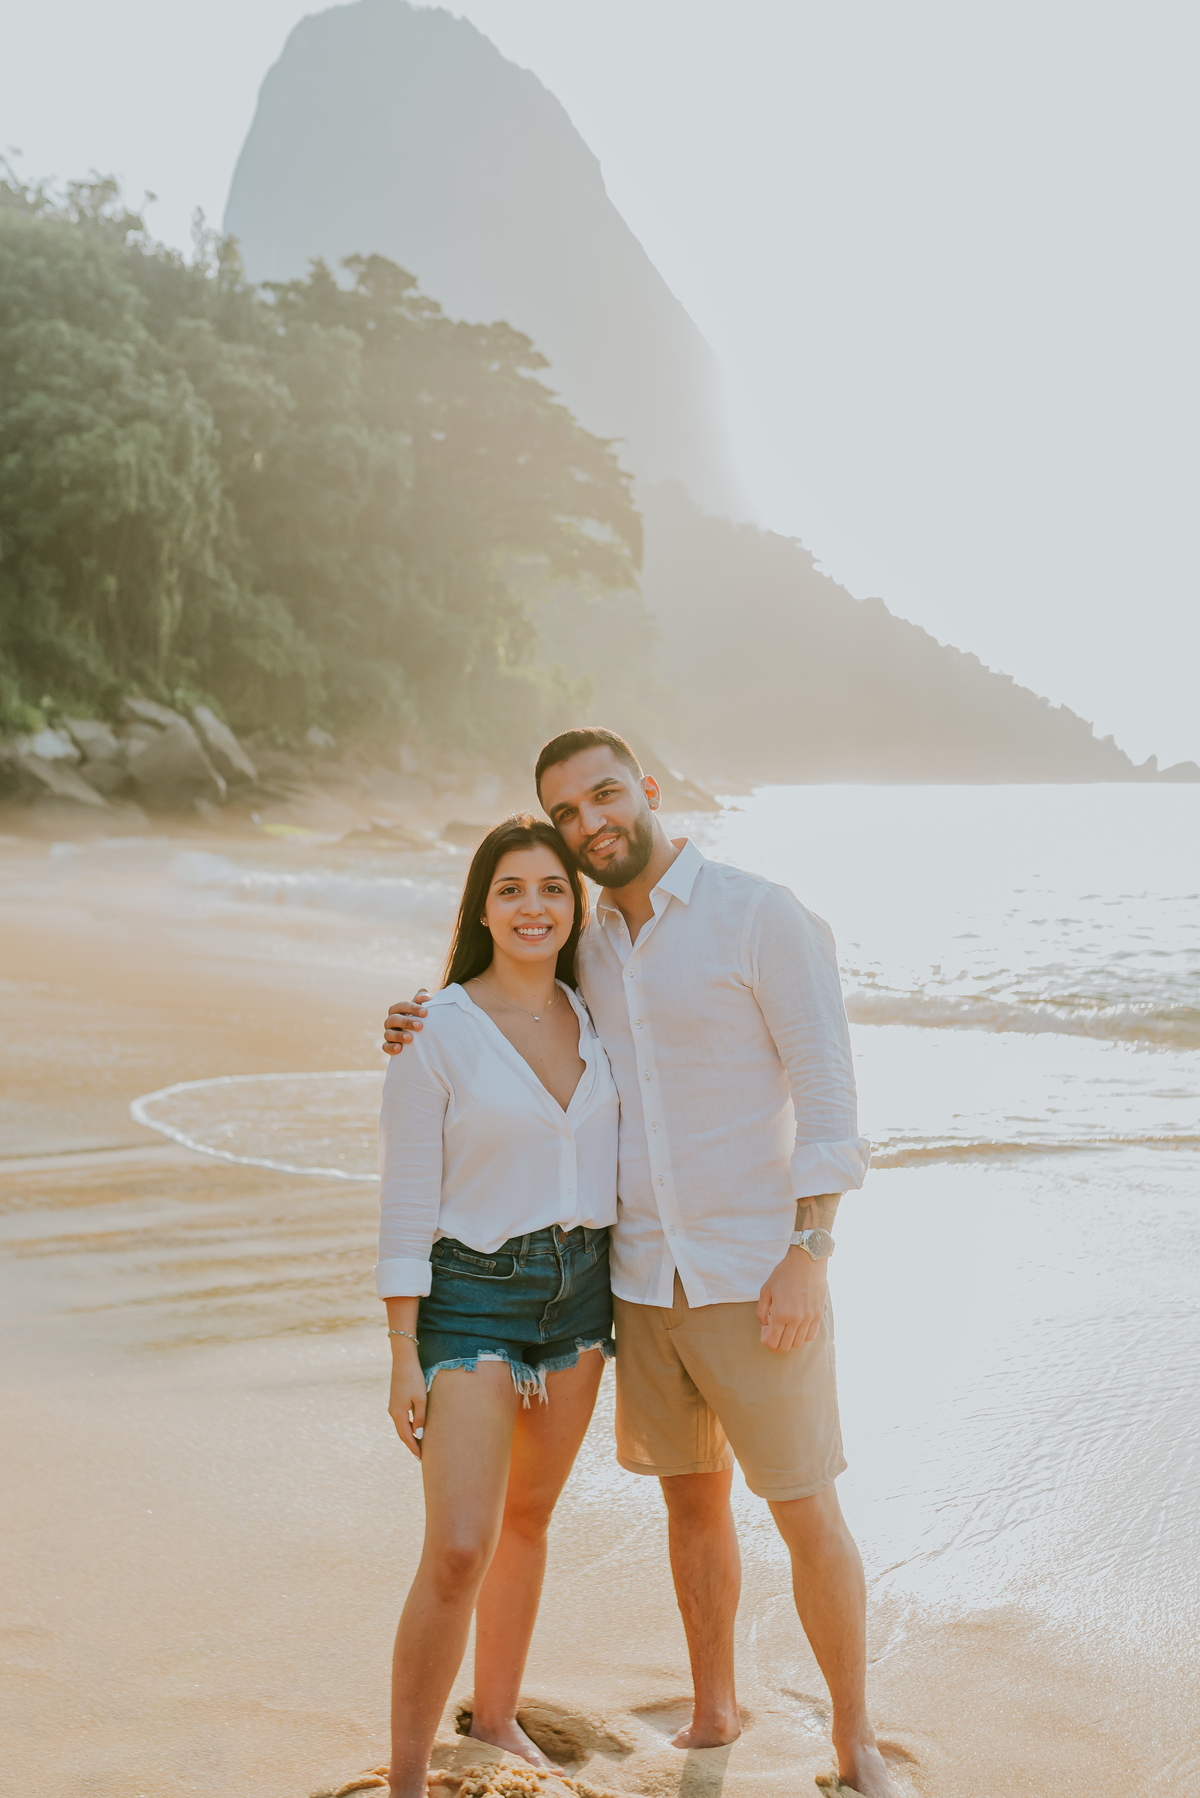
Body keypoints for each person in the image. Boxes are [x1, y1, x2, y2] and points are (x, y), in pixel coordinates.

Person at [384, 728, 898, 1798]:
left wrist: (810, 1248)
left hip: (758, 1276)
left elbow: (832, 1101)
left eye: (603, 796)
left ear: (650, 790)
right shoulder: (591, 945)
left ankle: (855, 1747)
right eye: (566, 814)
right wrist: (414, 1018)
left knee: (807, 1507)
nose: (588, 825)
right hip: (635, 1283)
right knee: (690, 1501)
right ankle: (714, 1709)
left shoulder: (761, 914)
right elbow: (499, 1023)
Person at [377, 813, 619, 1798]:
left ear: (576, 906)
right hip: (469, 1298)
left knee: (527, 1519)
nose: (534, 907)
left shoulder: (601, 1013)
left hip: (582, 1297)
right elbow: (404, 1201)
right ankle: (402, 1778)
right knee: (459, 1544)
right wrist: (401, 1352)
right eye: (513, 889)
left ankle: (501, 1713)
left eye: (553, 889)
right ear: (483, 904)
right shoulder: (434, 1029)